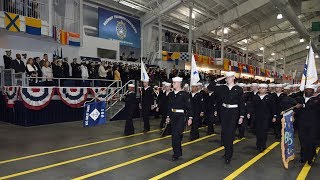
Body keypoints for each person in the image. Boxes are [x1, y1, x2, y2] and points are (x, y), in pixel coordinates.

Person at [208, 71, 245, 164]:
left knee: (230, 133)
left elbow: (241, 103)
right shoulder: (222, 88)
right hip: (224, 112)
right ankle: (226, 151)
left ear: (233, 78)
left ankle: (229, 155)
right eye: (226, 77)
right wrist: (218, 79)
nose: (227, 79)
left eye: (229, 77)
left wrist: (241, 116)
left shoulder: (238, 89)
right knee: (224, 133)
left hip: (234, 112)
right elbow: (210, 87)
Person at [166, 77, 193, 161]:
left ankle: (176, 154)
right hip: (173, 115)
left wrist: (190, 118)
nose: (173, 84)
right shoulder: (170, 94)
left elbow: (189, 107)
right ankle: (177, 151)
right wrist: (168, 116)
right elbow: (169, 106)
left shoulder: (184, 94)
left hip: (181, 116)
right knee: (174, 135)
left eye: (174, 83)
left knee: (176, 134)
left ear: (178, 83)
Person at [295, 85, 320, 165]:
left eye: (310, 89)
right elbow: (296, 110)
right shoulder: (300, 99)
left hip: (313, 125)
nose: (309, 91)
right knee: (302, 141)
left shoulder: (316, 100)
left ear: (313, 91)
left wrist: (302, 106)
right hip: (302, 124)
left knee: (311, 141)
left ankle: (310, 157)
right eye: (307, 89)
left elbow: (312, 106)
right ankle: (303, 157)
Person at [252, 84, 276, 152]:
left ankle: (263, 145)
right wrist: (250, 113)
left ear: (266, 89)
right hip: (257, 117)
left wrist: (274, 116)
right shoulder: (255, 97)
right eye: (260, 88)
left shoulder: (270, 97)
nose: (261, 89)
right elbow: (252, 106)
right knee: (258, 131)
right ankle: (258, 144)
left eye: (263, 88)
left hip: (266, 117)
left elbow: (273, 107)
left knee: (264, 131)